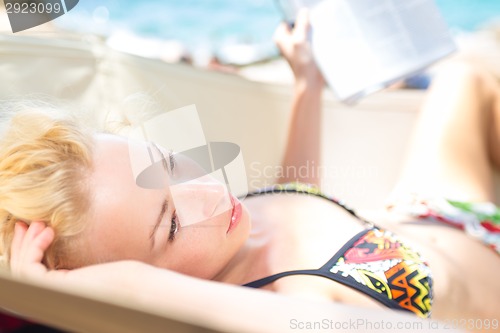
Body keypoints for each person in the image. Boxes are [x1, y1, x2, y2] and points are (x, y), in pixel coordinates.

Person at [1, 10, 499, 328]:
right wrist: (66, 298)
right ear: (133, 279)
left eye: (169, 162)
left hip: (433, 214)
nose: (209, 192)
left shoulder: (220, 231)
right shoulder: (284, 310)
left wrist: (307, 84)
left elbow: (295, 202)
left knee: (466, 75)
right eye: (170, 225)